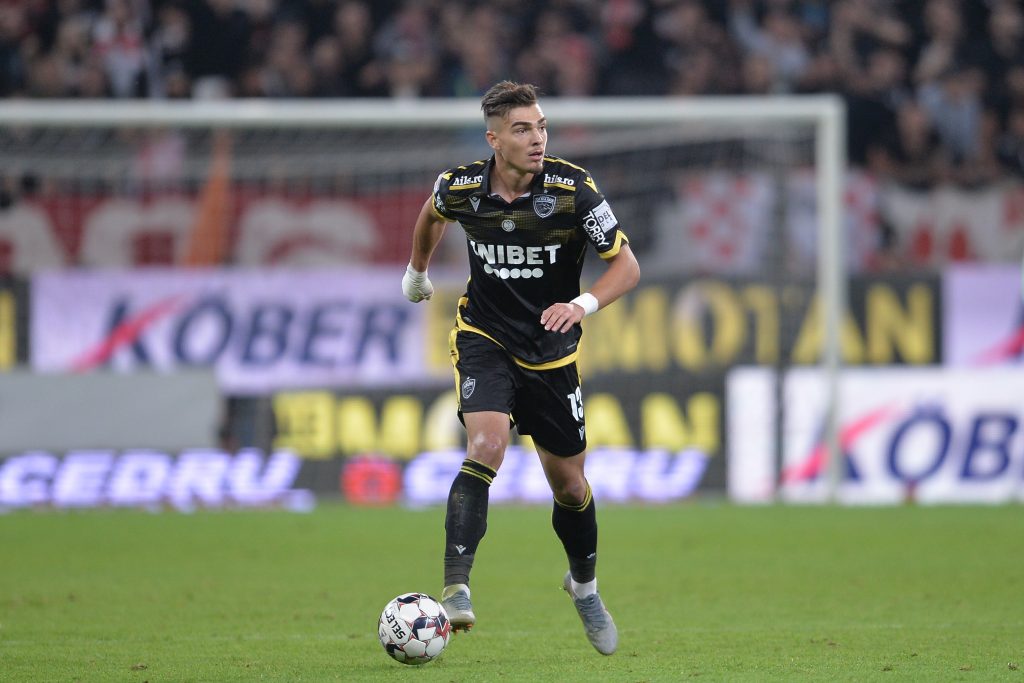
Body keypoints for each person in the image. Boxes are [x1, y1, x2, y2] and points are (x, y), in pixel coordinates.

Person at [401, 80, 640, 656]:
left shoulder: (572, 190)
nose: (538, 139)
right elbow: (431, 216)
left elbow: (627, 267)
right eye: (523, 129)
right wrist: (417, 271)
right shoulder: (461, 187)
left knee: (570, 485)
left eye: (541, 127)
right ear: (494, 140)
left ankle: (584, 587)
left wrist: (582, 304)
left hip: (552, 353)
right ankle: (456, 587)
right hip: (484, 335)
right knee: (486, 445)